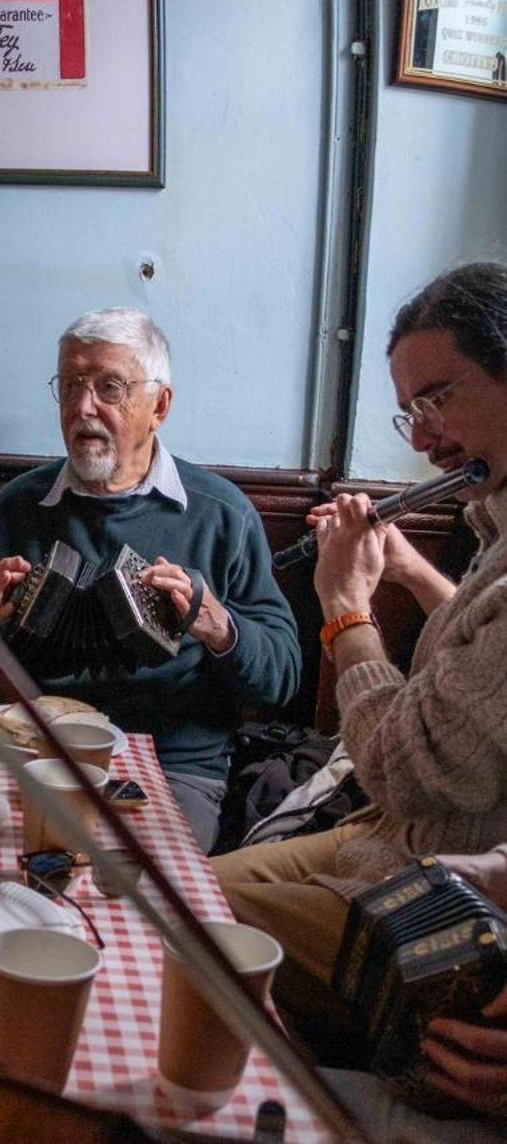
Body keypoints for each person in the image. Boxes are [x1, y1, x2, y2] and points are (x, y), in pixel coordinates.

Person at [214, 262, 507, 1021]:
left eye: (439, 397)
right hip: (389, 833)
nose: (423, 435)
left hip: (440, 891)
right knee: (178, 885)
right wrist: (411, 574)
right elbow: (484, 667)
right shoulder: (496, 522)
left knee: (180, 925)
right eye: (409, 410)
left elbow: (406, 769)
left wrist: (347, 609)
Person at [0, 308, 299, 851]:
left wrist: (219, 625)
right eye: (71, 386)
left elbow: (282, 676)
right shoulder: (14, 509)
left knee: (142, 893)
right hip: (33, 754)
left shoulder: (222, 516)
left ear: (160, 406)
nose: (83, 408)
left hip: (171, 767)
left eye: (110, 387)